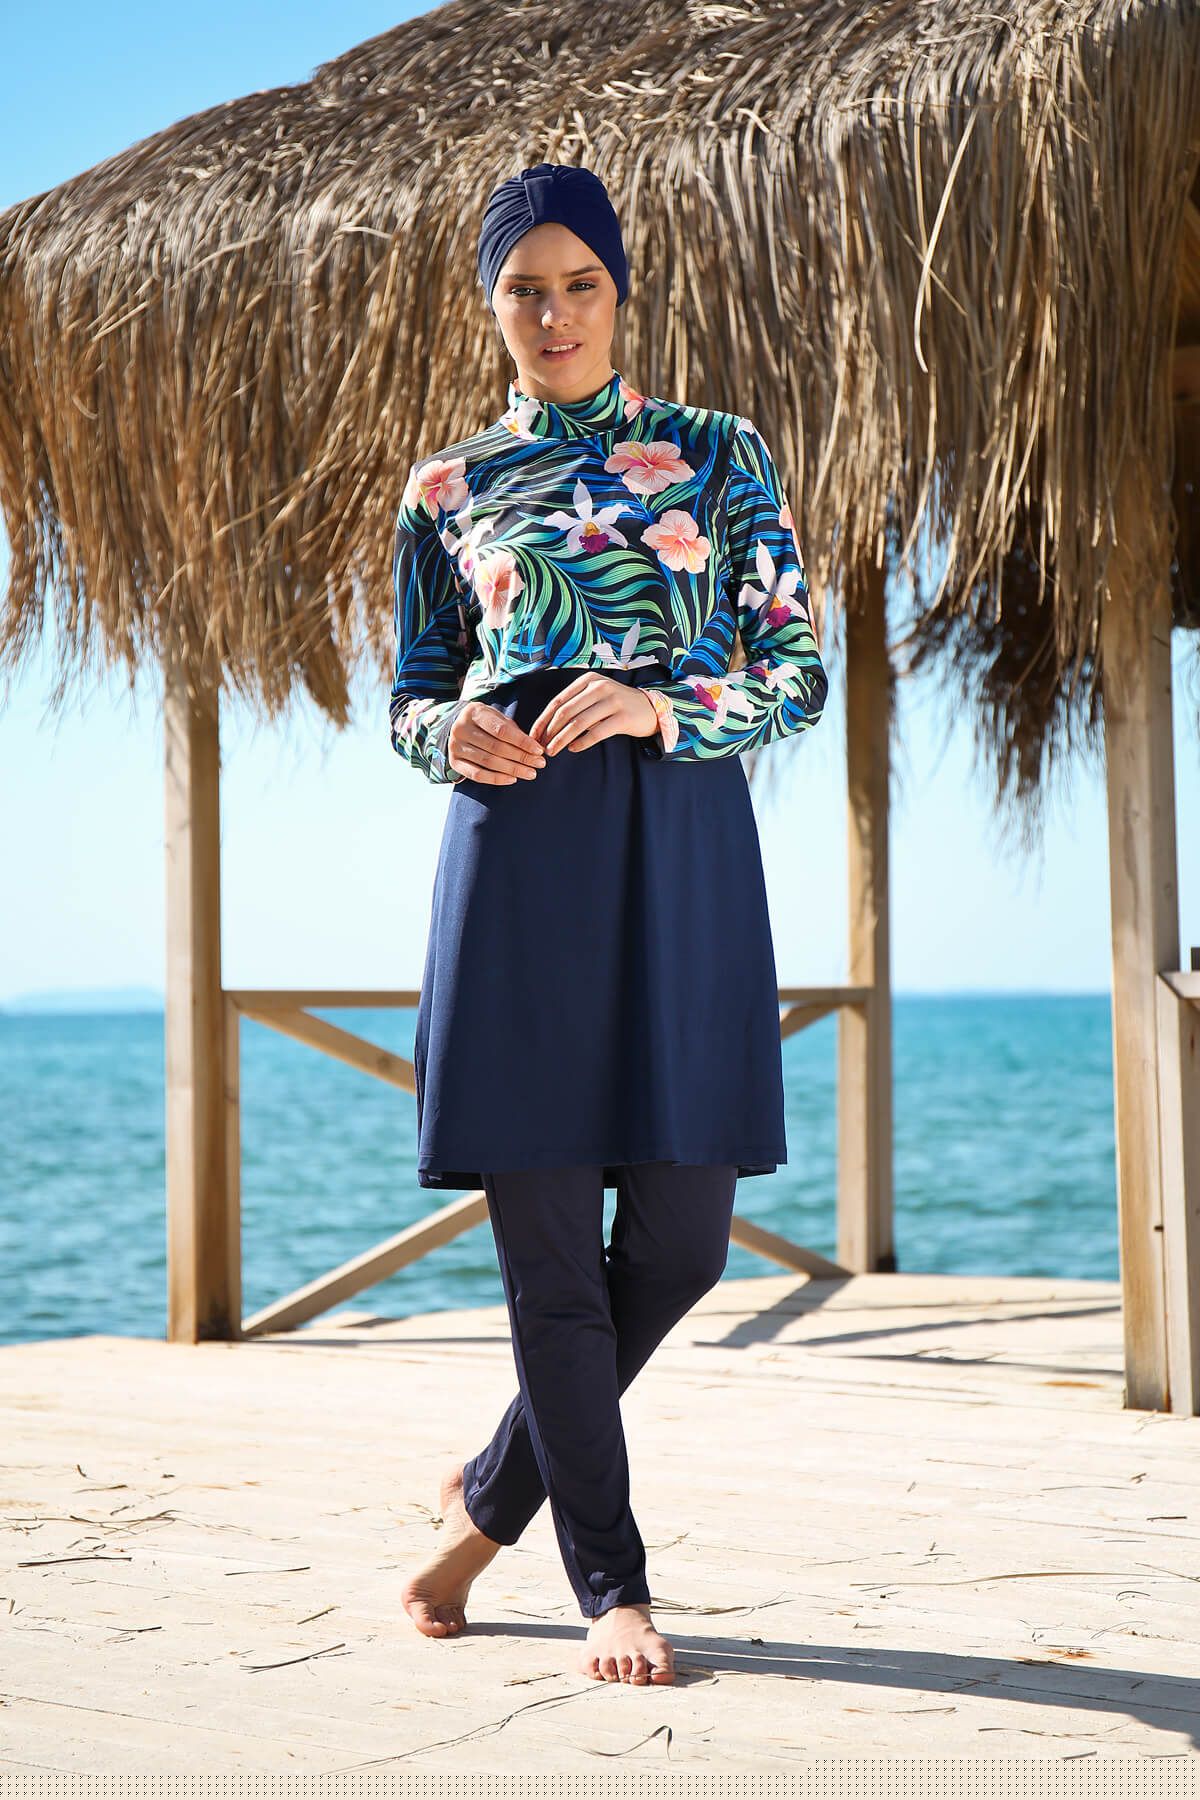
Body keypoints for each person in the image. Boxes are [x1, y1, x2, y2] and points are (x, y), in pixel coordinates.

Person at [390, 162, 828, 1687]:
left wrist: (659, 706)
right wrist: (443, 734)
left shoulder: (716, 451)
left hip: (682, 852)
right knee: (554, 1267)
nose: (555, 313)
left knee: (685, 1243)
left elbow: (795, 670)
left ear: (620, 293)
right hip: (515, 863)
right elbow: (411, 691)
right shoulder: (445, 489)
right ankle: (611, 1588)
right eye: (526, 289)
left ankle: (483, 1506)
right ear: (491, 303)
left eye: (581, 285)